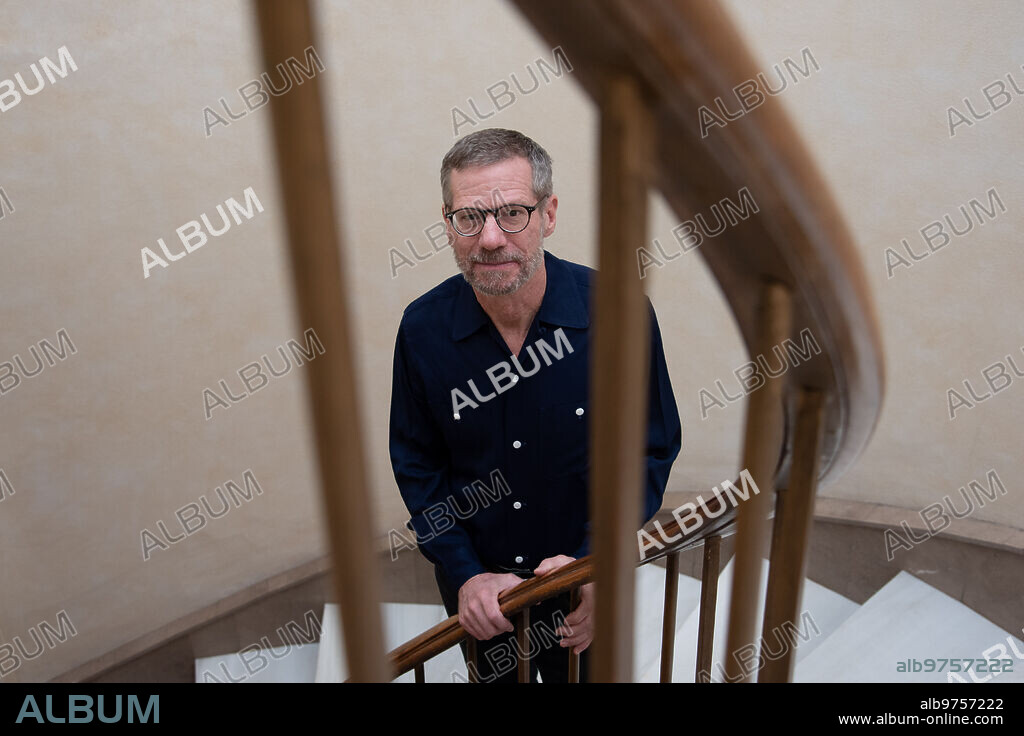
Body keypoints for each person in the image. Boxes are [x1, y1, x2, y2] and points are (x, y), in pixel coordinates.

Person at [389, 128, 681, 682]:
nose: (491, 239)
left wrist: (596, 564)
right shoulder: (422, 329)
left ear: (549, 214)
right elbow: (418, 467)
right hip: (483, 604)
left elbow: (649, 449)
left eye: (513, 214)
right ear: (448, 222)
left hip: (587, 587)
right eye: (469, 217)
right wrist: (465, 573)